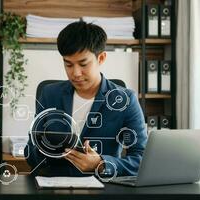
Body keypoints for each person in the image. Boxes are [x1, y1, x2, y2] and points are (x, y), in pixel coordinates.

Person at [25, 21, 147, 177]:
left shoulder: (126, 100)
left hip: (102, 188)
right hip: (54, 187)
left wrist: (101, 164)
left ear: (101, 58)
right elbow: (30, 154)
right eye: (68, 64)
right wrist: (44, 148)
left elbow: (141, 159)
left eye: (83, 64)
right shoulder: (50, 94)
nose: (75, 73)